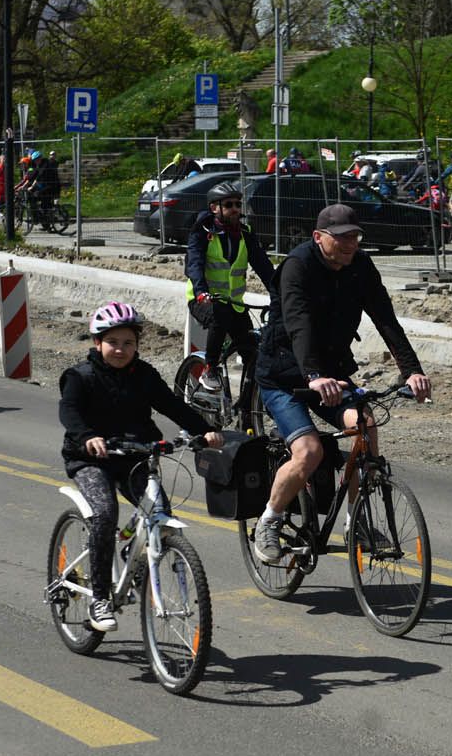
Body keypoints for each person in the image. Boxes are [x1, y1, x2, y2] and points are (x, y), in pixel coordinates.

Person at [249, 203, 432, 564]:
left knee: (365, 425)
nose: (350, 244)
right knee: (310, 452)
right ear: (319, 237)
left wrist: (412, 370)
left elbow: (386, 319)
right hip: (284, 376)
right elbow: (299, 324)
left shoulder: (360, 266)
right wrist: (314, 376)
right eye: (342, 238)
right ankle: (269, 520)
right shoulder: (298, 267)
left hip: (330, 373)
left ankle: (356, 520)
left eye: (355, 236)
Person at [58, 301, 223, 632]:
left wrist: (202, 430)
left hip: (136, 456)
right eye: (113, 342)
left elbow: (172, 405)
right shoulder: (79, 377)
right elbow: (69, 412)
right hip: (92, 459)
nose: (121, 350)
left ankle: (129, 553)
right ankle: (100, 598)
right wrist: (88, 436)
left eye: (128, 343)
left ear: (137, 345)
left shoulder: (144, 375)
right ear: (97, 343)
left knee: (158, 510)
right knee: (105, 514)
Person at [184, 180, 275, 393]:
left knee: (253, 352)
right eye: (228, 205)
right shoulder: (202, 232)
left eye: (237, 204)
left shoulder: (245, 233)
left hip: (234, 304)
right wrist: (200, 291)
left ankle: (248, 410)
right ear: (214, 208)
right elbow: (195, 263)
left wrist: (280, 291)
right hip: (204, 300)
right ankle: (210, 368)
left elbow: (263, 266)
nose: (235, 209)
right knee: (219, 316)